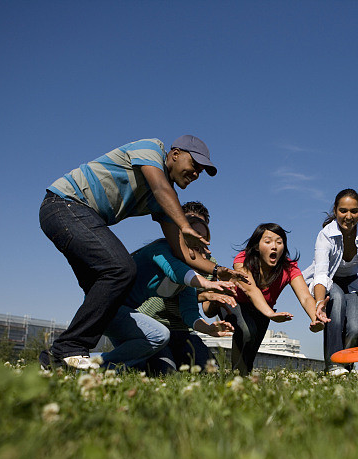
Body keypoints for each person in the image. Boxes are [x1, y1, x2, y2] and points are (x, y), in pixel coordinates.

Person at [38, 135, 243, 370]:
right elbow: (159, 186)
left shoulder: (165, 202)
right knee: (121, 269)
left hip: (81, 218)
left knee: (102, 290)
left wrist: (219, 271)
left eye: (201, 171)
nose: (196, 174)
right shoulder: (151, 149)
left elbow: (184, 254)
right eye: (194, 165)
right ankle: (70, 348)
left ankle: (58, 361)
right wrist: (184, 226)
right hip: (65, 204)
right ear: (175, 154)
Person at [78, 212, 235, 371]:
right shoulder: (161, 250)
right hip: (105, 306)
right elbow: (175, 271)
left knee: (136, 362)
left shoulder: (189, 277)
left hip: (125, 315)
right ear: (179, 235)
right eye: (196, 234)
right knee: (159, 335)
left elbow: (190, 313)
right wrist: (209, 283)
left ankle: (97, 370)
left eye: (205, 238)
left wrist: (208, 329)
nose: (200, 241)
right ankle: (89, 366)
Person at [136, 202, 237, 373]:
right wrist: (207, 291)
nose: (196, 236)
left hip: (183, 328)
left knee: (211, 372)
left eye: (201, 230)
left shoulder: (207, 264)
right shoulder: (165, 252)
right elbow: (179, 275)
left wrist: (216, 297)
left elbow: (193, 307)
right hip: (151, 322)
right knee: (164, 371)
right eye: (190, 226)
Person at [219, 223, 328, 375]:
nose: (274, 246)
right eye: (268, 241)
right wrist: (270, 314)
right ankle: (236, 376)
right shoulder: (243, 259)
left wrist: (315, 317)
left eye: (279, 242)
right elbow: (251, 290)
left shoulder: (289, 268)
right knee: (247, 331)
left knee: (252, 347)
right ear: (257, 246)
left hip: (262, 310)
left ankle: (243, 377)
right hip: (234, 303)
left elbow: (305, 297)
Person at [303, 189, 358, 375]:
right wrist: (319, 304)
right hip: (330, 280)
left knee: (355, 330)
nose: (348, 216)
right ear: (336, 210)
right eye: (343, 210)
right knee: (336, 307)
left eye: (354, 211)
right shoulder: (326, 234)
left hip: (354, 282)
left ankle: (345, 365)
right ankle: (333, 365)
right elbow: (321, 274)